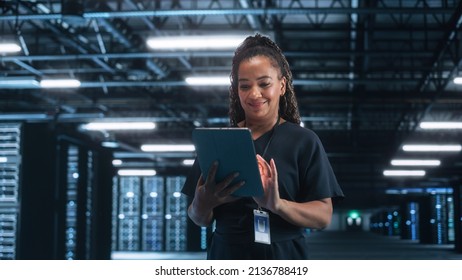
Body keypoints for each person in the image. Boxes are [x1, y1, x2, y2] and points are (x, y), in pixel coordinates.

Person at [182, 33, 344, 259]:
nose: (254, 94)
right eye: (245, 86)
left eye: (264, 84)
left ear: (282, 86)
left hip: (284, 254)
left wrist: (278, 205)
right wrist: (202, 204)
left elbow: (323, 216)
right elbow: (198, 218)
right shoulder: (217, 141)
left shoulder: (304, 141)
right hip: (227, 253)